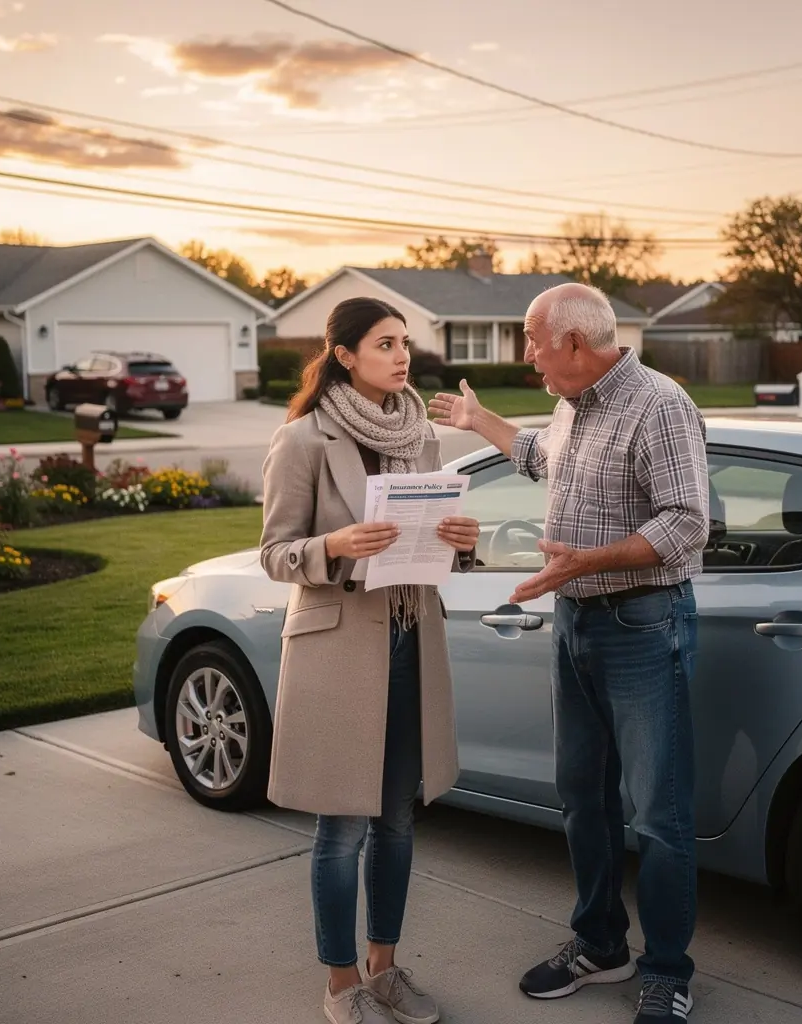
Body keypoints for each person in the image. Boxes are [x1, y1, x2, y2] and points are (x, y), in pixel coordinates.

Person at [429, 282, 709, 1024]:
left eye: (533, 340)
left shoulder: (660, 404)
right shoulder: (570, 405)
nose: (528, 355)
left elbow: (686, 525)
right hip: (576, 626)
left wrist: (584, 562)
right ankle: (599, 947)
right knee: (583, 800)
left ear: (576, 343)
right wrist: (478, 420)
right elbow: (535, 456)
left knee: (658, 815)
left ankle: (668, 972)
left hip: (645, 627)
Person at [260, 296, 480, 1024]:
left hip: (411, 640)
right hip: (338, 647)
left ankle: (385, 970)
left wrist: (461, 538)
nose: (402, 354)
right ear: (345, 356)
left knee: (396, 820)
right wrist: (333, 547)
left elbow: (435, 545)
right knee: (343, 828)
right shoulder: (303, 439)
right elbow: (274, 553)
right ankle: (340, 982)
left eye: (405, 342)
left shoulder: (420, 436)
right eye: (385, 343)